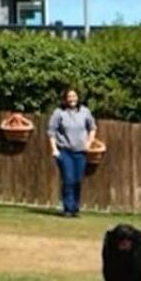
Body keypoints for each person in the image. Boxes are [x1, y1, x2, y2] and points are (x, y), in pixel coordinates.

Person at [47, 89, 97, 217]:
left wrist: (89, 143)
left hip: (81, 152)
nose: (71, 99)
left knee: (77, 181)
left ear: (78, 97)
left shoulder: (85, 112)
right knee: (68, 179)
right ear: (65, 98)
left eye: (74, 96)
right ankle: (68, 209)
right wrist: (54, 149)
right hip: (65, 151)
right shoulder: (59, 113)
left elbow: (92, 128)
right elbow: (51, 131)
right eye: (69, 96)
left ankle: (75, 208)